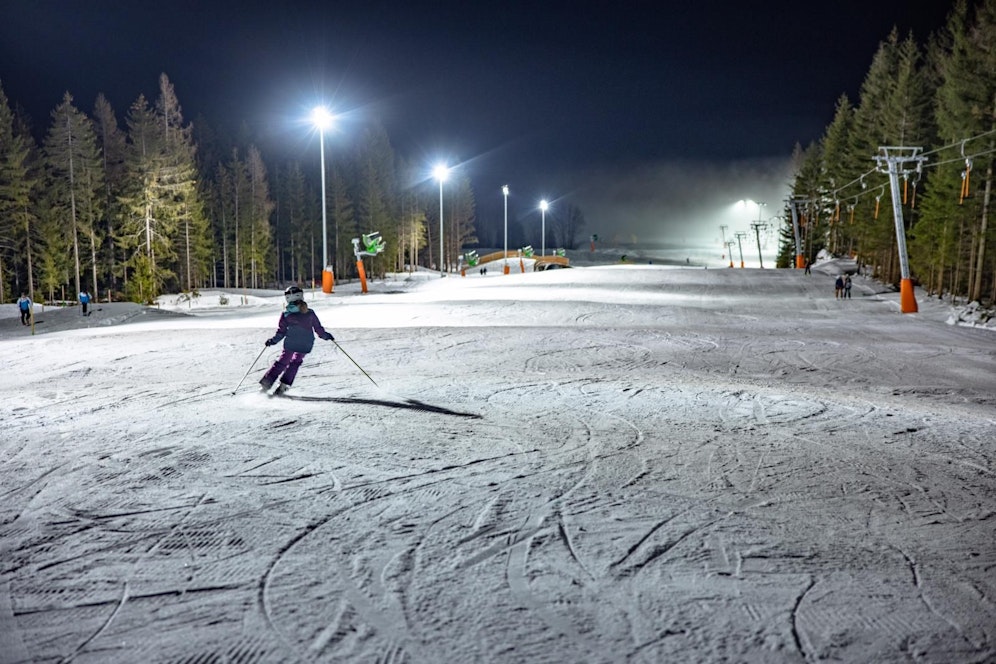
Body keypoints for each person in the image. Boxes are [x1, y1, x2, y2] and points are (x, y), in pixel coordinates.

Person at [260, 286, 335, 395]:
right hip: (306, 344)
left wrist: (272, 341)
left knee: (282, 362)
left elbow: (281, 332)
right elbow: (318, 328)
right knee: (295, 362)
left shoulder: (286, 314)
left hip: (291, 342)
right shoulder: (309, 312)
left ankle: (266, 385)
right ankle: (283, 386)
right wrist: (326, 336)